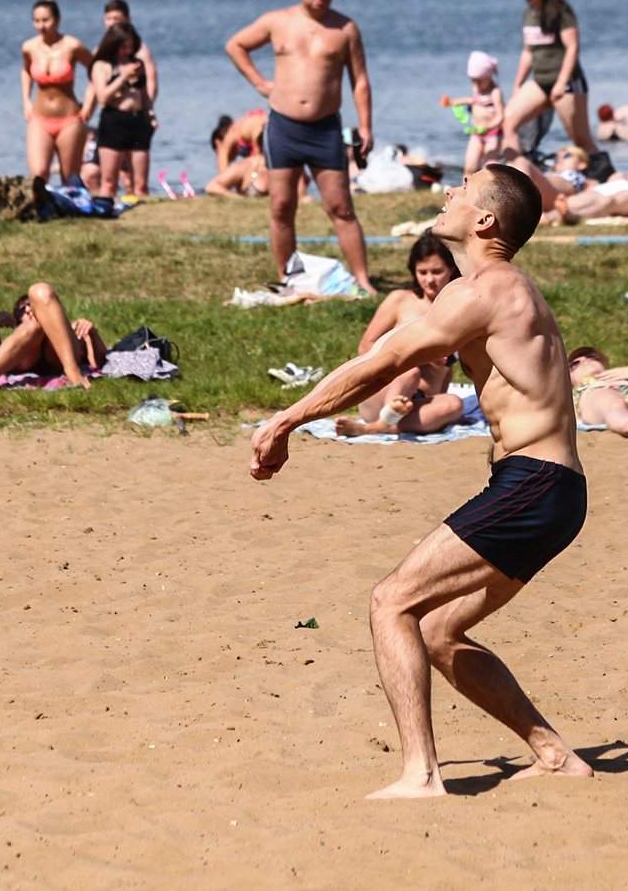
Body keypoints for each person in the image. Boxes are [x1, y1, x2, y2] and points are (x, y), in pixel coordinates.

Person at [249, 165, 594, 797]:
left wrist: (288, 418)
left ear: (486, 220)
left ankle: (422, 774)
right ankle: (552, 754)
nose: (449, 192)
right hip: (555, 491)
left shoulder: (485, 289)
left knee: (392, 602)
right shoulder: (504, 289)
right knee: (437, 629)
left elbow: (380, 362)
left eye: (462, 190)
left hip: (533, 485)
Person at [225, 0, 374, 293]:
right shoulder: (278, 21)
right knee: (281, 206)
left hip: (325, 130)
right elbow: (235, 45)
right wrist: (261, 84)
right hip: (283, 127)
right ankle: (286, 277)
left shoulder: (345, 29)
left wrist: (365, 126)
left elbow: (360, 81)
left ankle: (363, 279)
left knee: (341, 207)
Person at [333, 233, 465, 436]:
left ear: (452, 270)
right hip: (384, 391)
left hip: (420, 401)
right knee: (409, 372)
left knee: (454, 405)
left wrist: (444, 361)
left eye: (437, 272)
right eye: (422, 272)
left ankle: (375, 429)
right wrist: (413, 352)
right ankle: (384, 418)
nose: (429, 280)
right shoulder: (400, 301)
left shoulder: (458, 307)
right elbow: (365, 346)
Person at [502, 0, 595, 158]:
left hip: (568, 84)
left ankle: (605, 179)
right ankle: (516, 177)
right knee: (509, 121)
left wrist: (561, 83)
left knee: (581, 140)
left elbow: (572, 48)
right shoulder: (528, 14)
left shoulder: (562, 12)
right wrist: (517, 83)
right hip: (540, 82)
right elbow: (528, 52)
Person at [0, 281, 105, 391]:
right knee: (33, 326)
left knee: (40, 290)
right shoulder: (20, 336)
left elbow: (97, 362)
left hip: (61, 356)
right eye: (23, 309)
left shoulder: (72, 328)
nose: (29, 309)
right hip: (27, 358)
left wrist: (92, 333)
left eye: (32, 305)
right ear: (17, 321)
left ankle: (72, 371)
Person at [19, 0, 94, 184]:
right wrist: (26, 101)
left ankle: (71, 209)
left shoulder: (72, 46)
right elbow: (26, 71)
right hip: (40, 118)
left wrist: (89, 105)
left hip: (69, 119)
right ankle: (41, 210)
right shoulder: (29, 47)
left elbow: (96, 70)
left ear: (57, 20)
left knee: (69, 176)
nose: (41, 26)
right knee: (39, 173)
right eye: (36, 21)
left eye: (46, 20)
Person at [88, 20, 155, 199]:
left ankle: (142, 213)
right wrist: (123, 78)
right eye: (123, 47)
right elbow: (103, 97)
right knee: (109, 181)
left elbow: (144, 94)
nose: (127, 51)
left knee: (140, 183)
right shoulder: (101, 66)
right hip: (114, 121)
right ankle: (106, 208)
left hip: (137, 119)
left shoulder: (137, 64)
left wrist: (150, 114)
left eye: (130, 47)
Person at [447, 51, 506, 174]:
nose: (476, 84)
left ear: (488, 77)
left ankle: (489, 191)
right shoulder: (476, 89)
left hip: (493, 134)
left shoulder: (495, 92)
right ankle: (466, 190)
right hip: (476, 134)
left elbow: (501, 116)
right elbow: (472, 100)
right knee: (470, 166)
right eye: (473, 80)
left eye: (479, 81)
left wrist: (487, 127)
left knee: (490, 168)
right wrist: (454, 102)